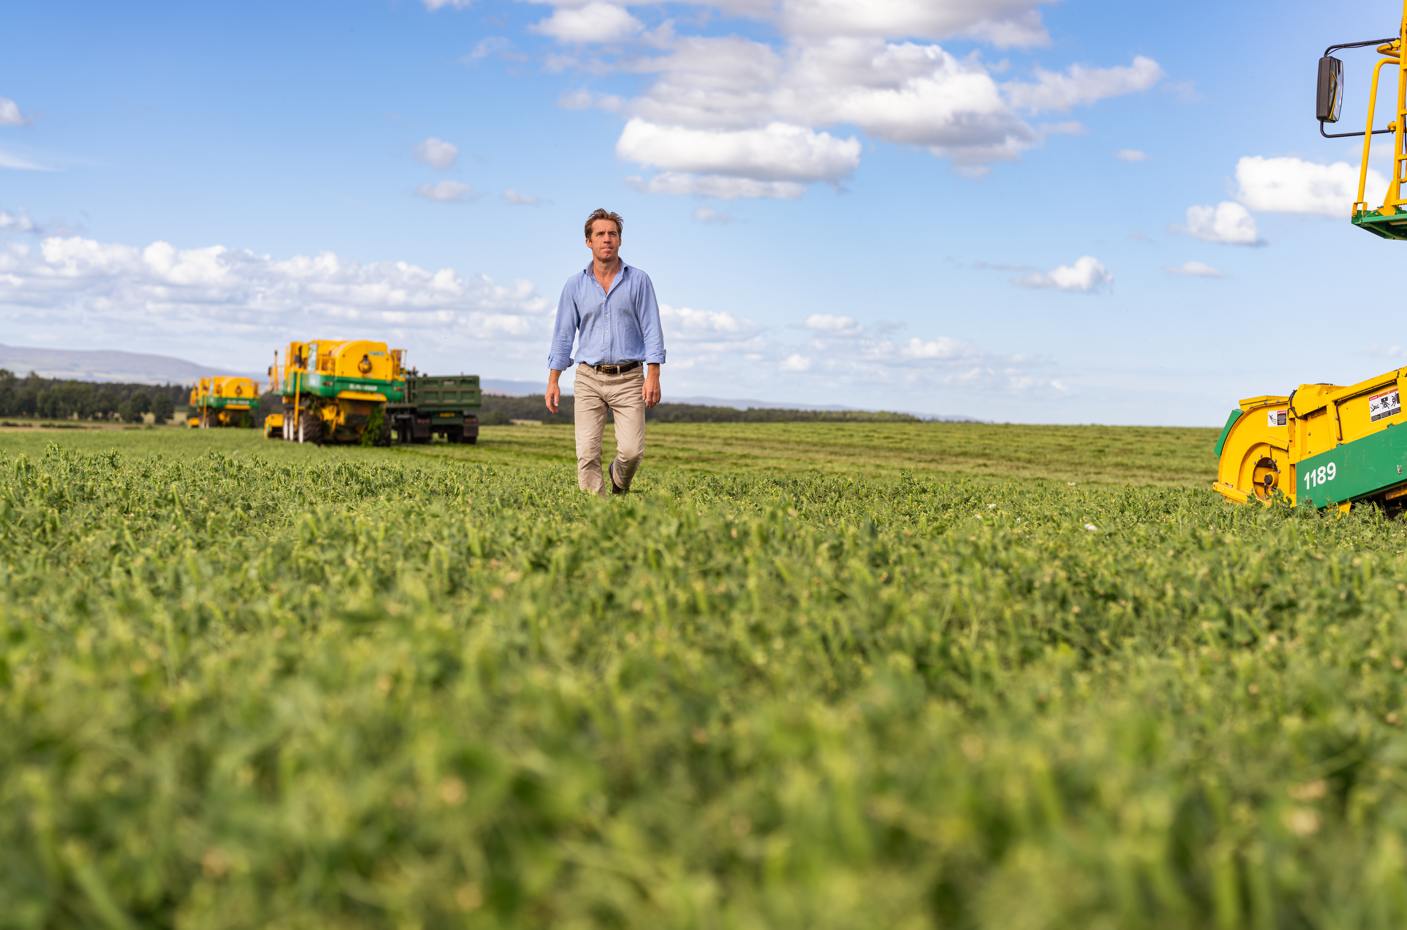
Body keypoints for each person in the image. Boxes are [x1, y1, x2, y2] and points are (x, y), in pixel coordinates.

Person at [546, 208, 666, 497]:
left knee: (631, 452)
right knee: (587, 453)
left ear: (620, 241)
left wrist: (653, 375)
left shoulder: (639, 280)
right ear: (588, 242)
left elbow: (652, 329)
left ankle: (618, 479)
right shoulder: (574, 285)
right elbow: (563, 335)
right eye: (600, 234)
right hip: (588, 377)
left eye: (612, 234)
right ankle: (597, 516)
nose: (607, 239)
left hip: (630, 378)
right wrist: (553, 380)